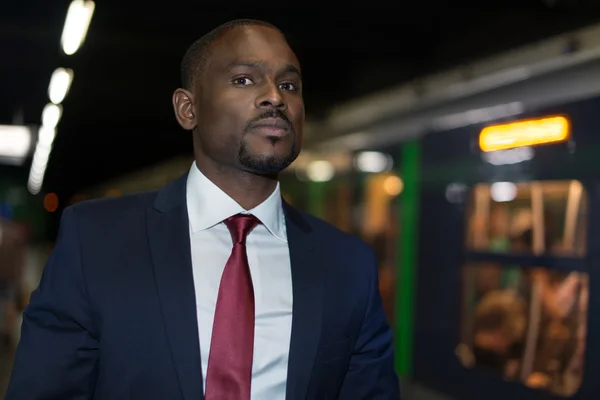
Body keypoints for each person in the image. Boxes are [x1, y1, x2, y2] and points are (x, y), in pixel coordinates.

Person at [6, 19, 399, 399]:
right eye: (244, 79)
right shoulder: (95, 241)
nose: (275, 97)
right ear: (187, 109)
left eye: (289, 84)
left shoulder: (349, 266)